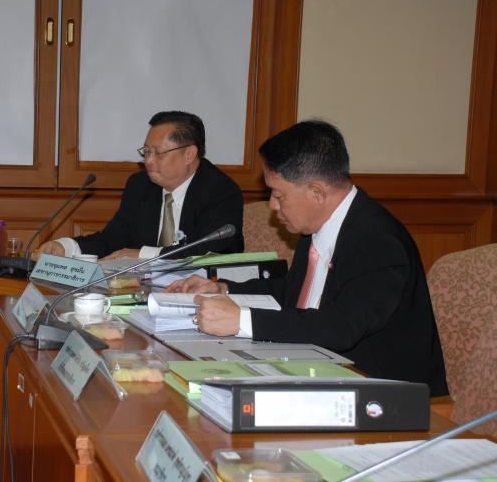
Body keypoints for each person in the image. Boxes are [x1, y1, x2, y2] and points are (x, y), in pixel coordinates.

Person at [168, 120, 448, 396]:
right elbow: (295, 292)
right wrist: (224, 289)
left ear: (317, 193)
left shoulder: (378, 242)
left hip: (383, 395)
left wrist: (241, 320)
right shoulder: (318, 225)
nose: (272, 205)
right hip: (320, 372)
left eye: (279, 195)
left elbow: (340, 327)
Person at [34, 111, 244, 260]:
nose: (149, 161)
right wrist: (67, 247)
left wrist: (142, 255)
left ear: (189, 154)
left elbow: (204, 253)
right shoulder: (140, 186)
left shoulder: (220, 191)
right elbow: (111, 240)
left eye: (158, 153)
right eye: (146, 152)